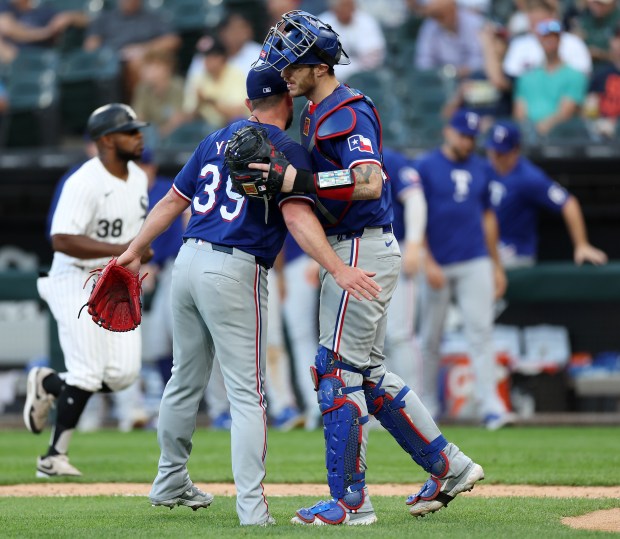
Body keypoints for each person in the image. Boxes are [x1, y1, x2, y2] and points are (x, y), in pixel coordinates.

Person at [115, 66, 380, 526]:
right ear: (288, 101)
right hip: (235, 267)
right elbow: (297, 219)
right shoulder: (286, 149)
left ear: (248, 105)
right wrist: (337, 267)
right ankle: (252, 511)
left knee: (183, 380)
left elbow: (172, 201)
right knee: (248, 394)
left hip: (188, 261)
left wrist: (133, 251)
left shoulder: (216, 137)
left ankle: (169, 478)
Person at [254, 10, 485, 525]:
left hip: (361, 244)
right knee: (369, 376)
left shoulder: (346, 109)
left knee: (335, 372)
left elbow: (369, 182)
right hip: (358, 242)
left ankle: (350, 502)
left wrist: (298, 182)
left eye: (292, 61)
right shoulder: (316, 112)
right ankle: (450, 465)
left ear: (319, 63)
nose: (282, 69)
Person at [23, 103, 152, 477]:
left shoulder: (139, 179)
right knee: (87, 372)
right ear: (107, 140)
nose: (139, 136)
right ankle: (52, 458)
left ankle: (47, 382)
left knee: (123, 375)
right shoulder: (84, 181)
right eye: (131, 131)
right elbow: (61, 239)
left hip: (110, 279)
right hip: (72, 277)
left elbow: (136, 237)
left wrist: (140, 247)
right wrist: (126, 249)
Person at [413, 109, 511, 430]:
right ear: (448, 132)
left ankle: (491, 405)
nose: (467, 141)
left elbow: (488, 217)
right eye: (462, 135)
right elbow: (417, 213)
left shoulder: (482, 167)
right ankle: (427, 403)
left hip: (474, 258)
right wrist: (427, 259)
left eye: (471, 137)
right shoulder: (426, 166)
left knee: (481, 332)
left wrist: (496, 265)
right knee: (430, 336)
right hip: (438, 260)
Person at [485, 119, 608, 268]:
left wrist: (582, 244)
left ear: (515, 150)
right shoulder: (485, 168)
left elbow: (568, 202)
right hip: (487, 246)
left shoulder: (529, 177)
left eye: (501, 153)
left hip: (514, 252)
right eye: (493, 151)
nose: (495, 157)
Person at [382, 147, 426, 392]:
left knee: (399, 335)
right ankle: (380, 408)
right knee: (370, 342)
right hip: (357, 254)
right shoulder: (337, 158)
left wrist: (414, 243)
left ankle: (414, 404)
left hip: (394, 246)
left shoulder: (391, 158)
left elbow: (415, 199)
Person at [83, 0, 181, 101]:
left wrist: (143, 49)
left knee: (138, 63)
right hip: (113, 59)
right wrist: (110, 52)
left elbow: (172, 40)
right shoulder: (106, 18)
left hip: (143, 57)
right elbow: (90, 46)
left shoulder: (152, 17)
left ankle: (139, 105)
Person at [513, 18, 588, 136]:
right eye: (545, 36)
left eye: (554, 36)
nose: (549, 40)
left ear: (560, 39)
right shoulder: (526, 77)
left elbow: (565, 113)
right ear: (539, 40)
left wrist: (540, 128)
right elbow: (519, 112)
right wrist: (528, 130)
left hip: (560, 137)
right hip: (528, 136)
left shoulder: (575, 75)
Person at [317, 0, 387, 81]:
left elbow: (374, 58)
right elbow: (321, 60)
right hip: (331, 78)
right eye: (343, 6)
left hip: (365, 77)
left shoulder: (367, 21)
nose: (347, 9)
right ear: (334, 9)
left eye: (349, 5)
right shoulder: (320, 24)